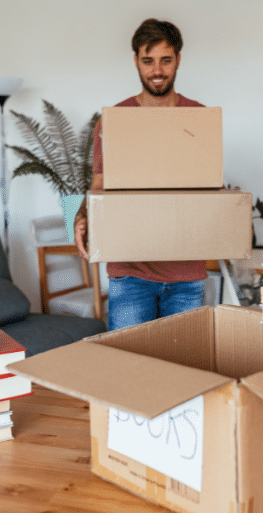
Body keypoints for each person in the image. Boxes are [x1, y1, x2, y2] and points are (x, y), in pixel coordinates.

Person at [73, 18, 207, 330]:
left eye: (165, 60)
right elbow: (99, 184)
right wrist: (83, 215)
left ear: (178, 61)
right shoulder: (114, 121)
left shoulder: (199, 118)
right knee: (127, 370)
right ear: (136, 61)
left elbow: (207, 189)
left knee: (185, 372)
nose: (157, 71)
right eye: (148, 61)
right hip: (129, 271)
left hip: (186, 272)